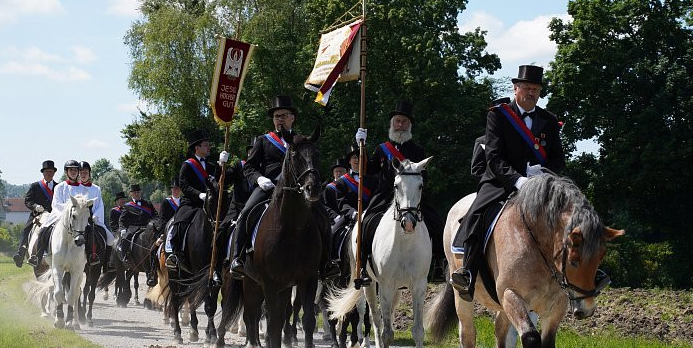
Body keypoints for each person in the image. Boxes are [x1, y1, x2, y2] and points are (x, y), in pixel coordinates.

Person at [450, 65, 564, 301]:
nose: (531, 92)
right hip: (501, 181)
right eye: (527, 87)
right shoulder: (498, 115)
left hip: (540, 183)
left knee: (571, 212)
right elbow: (493, 156)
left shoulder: (549, 120)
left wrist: (542, 175)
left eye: (536, 89)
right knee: (477, 214)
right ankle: (467, 272)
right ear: (516, 88)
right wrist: (518, 180)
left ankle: (579, 274)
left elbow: (558, 159)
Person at [228, 95, 338, 281]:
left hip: (297, 190)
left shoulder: (301, 141)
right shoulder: (263, 140)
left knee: (323, 216)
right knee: (245, 214)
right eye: (276, 116)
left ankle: (328, 262)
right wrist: (259, 178)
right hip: (268, 187)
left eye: (284, 115)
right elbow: (249, 167)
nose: (280, 119)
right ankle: (237, 259)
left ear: (292, 118)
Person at [356, 100, 445, 285]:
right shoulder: (381, 149)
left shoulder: (418, 150)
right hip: (385, 196)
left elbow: (424, 177)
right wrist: (361, 147)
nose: (400, 125)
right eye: (397, 121)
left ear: (409, 125)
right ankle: (363, 265)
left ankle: (438, 264)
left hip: (411, 197)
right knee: (366, 222)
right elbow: (367, 170)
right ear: (391, 124)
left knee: (436, 221)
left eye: (404, 122)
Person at [165, 129, 218, 272]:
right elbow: (184, 185)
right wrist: (199, 194)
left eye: (209, 145)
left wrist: (225, 165)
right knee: (179, 222)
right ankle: (175, 254)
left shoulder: (213, 166)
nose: (209, 147)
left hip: (211, 204)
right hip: (191, 203)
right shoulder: (187, 165)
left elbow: (224, 179)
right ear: (197, 148)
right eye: (206, 145)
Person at [28, 159, 86, 265]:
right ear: (66, 172)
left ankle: (90, 256)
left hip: (77, 218)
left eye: (75, 170)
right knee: (43, 230)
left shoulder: (83, 188)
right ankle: (39, 255)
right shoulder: (60, 187)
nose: (73, 172)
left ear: (78, 172)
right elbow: (56, 204)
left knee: (91, 231)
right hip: (58, 215)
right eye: (71, 170)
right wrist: (65, 215)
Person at [13, 159, 56, 267]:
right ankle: (21, 252)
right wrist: (36, 206)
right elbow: (28, 200)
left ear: (54, 173)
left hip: (53, 215)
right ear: (43, 173)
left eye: (51, 172)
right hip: (37, 214)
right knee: (26, 229)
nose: (49, 174)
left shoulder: (59, 187)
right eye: (47, 172)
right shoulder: (35, 186)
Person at [117, 184, 155, 260]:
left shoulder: (147, 203)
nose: (136, 194)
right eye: (134, 192)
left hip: (148, 227)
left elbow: (155, 215)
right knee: (126, 238)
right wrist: (123, 229)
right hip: (134, 228)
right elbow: (122, 220)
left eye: (138, 192)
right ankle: (124, 257)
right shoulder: (127, 206)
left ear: (140, 192)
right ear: (131, 194)